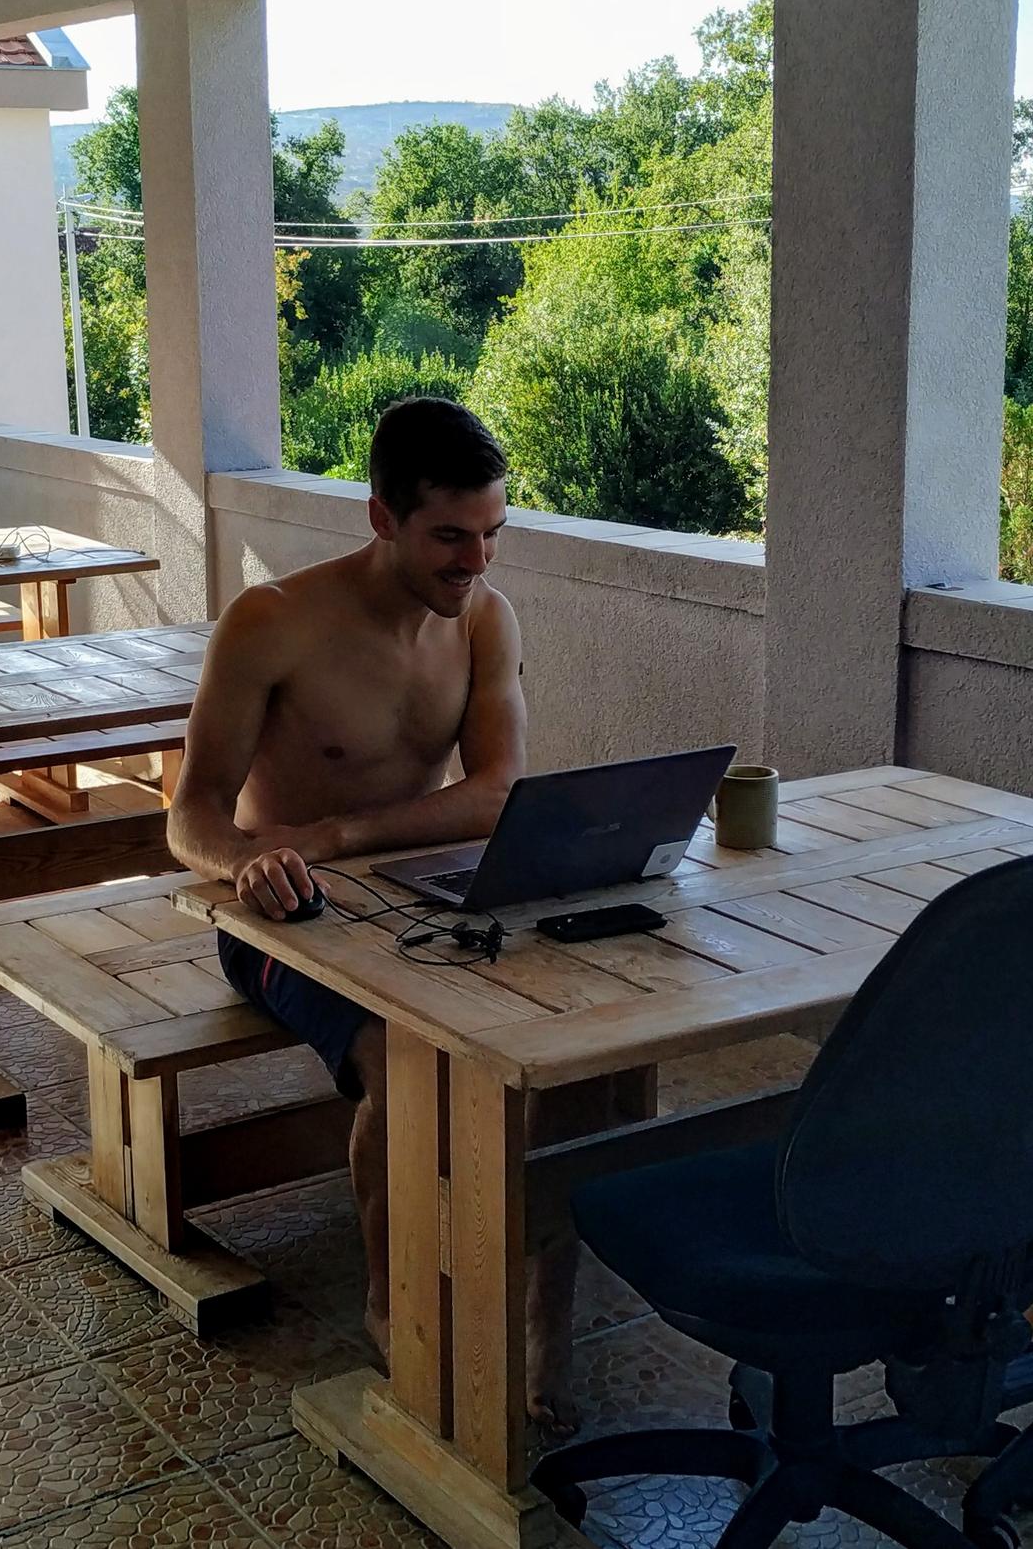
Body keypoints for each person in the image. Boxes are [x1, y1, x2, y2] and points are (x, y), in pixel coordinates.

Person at [168, 396, 612, 1429]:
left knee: (594, 1048)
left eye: (494, 533)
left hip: (422, 894)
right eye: (450, 537)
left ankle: (550, 1324)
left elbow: (501, 788)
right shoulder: (274, 621)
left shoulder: (487, 621)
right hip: (287, 921)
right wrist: (256, 864)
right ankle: (395, 1307)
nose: (475, 561)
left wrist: (332, 836)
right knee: (401, 1056)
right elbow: (189, 813)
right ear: (382, 520)